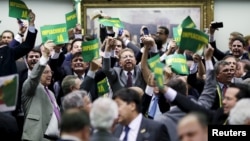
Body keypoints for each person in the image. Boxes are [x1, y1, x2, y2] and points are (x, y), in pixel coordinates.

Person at [21, 40, 61, 141]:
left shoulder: (50, 92)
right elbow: (34, 77)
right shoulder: (30, 87)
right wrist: (44, 56)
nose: (50, 75)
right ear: (39, 73)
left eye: (50, 72)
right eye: (46, 72)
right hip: (38, 138)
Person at [0, 9, 37, 76]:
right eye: (4, 37)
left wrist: (31, 24)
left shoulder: (6, 51)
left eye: (8, 37)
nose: (6, 39)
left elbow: (27, 45)